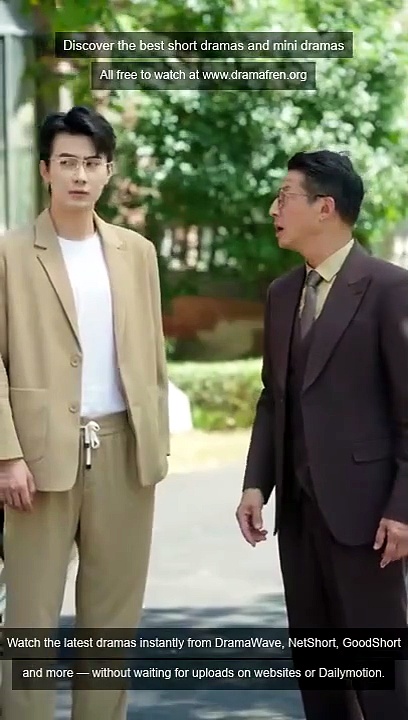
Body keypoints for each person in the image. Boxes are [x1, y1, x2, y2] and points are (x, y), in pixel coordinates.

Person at [0, 105, 170, 720]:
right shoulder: (10, 254)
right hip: (38, 459)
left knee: (112, 623)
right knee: (29, 619)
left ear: (108, 171)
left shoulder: (137, 252)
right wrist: (7, 455)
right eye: (67, 162)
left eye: (92, 163)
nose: (79, 175)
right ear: (45, 170)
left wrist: (156, 442)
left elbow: (152, 353)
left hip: (124, 450)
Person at [236, 150, 408, 720]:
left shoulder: (389, 289)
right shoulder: (282, 294)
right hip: (300, 517)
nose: (274, 209)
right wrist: (256, 484)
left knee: (383, 682)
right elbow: (274, 397)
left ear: (325, 207)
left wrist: (403, 510)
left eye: (285, 197)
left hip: (369, 521)